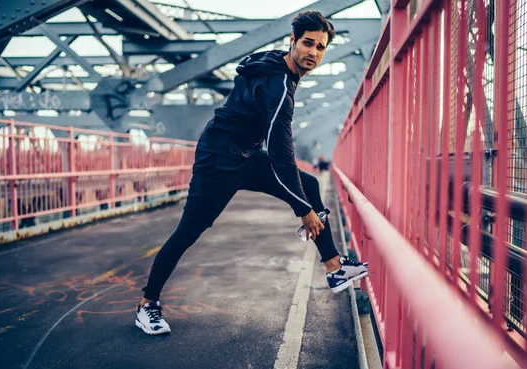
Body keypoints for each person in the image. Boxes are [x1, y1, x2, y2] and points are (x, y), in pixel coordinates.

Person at [135, 11, 368, 335]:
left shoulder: (271, 63)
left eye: (320, 47)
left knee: (310, 185)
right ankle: (148, 305)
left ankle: (334, 267)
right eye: (307, 43)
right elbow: (281, 153)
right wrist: (304, 212)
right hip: (218, 160)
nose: (313, 52)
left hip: (246, 154)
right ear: (293, 41)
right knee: (189, 231)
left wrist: (305, 204)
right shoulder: (279, 88)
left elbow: (275, 151)